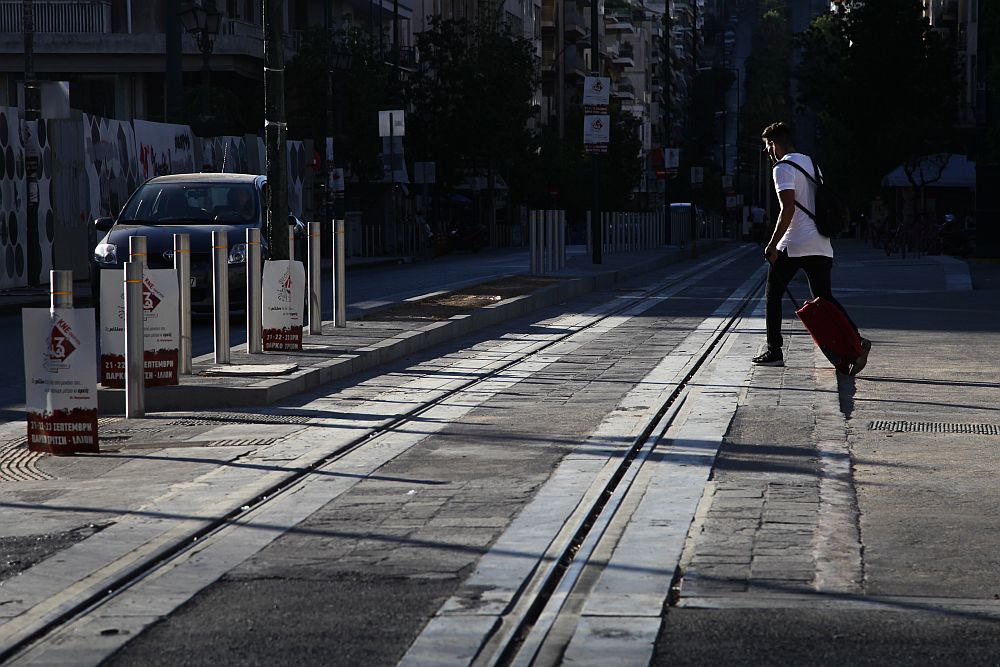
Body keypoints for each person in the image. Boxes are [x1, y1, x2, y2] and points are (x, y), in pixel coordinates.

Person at [754, 121, 871, 374]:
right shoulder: (812, 164)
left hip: (795, 243)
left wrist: (773, 245)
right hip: (821, 242)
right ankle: (857, 341)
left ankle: (774, 350)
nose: (769, 152)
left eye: (768, 147)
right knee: (825, 298)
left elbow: (788, 209)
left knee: (773, 295)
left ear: (775, 144)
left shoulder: (782, 168)